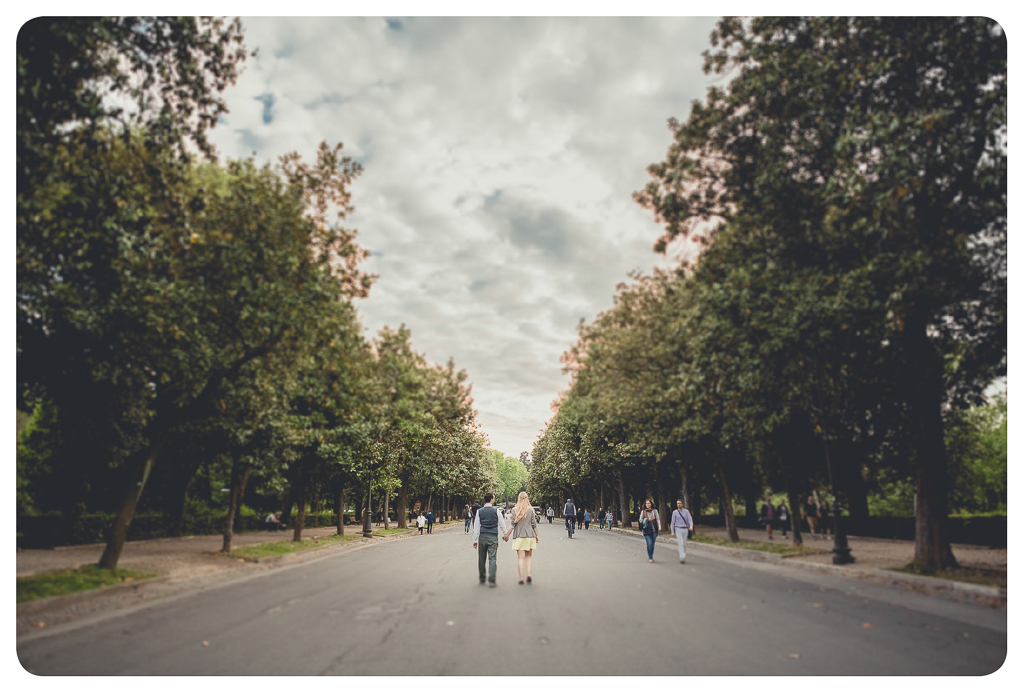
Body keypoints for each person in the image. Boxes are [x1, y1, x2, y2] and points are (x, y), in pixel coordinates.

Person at [502, 491, 540, 584]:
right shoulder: (531, 510)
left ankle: (521, 578)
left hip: (519, 536)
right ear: (527, 498)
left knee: (520, 558)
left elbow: (512, 525)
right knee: (529, 556)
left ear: (518, 498)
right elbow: (534, 524)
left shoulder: (515, 510)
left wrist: (507, 535)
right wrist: (536, 535)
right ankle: (529, 575)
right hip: (530, 536)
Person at [472, 492, 507, 587]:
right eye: (494, 498)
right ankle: (491, 579)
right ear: (491, 499)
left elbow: (476, 526)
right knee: (492, 558)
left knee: (481, 559)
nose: (494, 500)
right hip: (493, 537)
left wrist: (475, 540)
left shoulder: (479, 511)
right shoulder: (496, 511)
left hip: (482, 536)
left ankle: (482, 578)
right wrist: (505, 534)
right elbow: (502, 524)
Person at [670, 499, 695, 563]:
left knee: (684, 543)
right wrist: (672, 532)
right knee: (680, 543)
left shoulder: (686, 512)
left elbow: (690, 519)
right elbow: (672, 522)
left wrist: (691, 526)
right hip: (678, 529)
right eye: (677, 503)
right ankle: (682, 557)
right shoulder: (675, 512)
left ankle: (684, 554)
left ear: (682, 504)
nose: (679, 504)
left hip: (685, 528)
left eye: (680, 503)